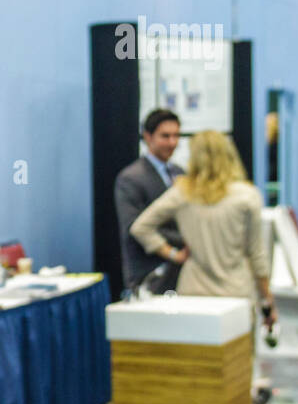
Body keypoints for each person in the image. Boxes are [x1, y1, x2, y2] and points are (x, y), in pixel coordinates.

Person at [129, 130, 277, 327]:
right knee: (236, 354)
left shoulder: (182, 193)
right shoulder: (247, 196)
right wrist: (267, 300)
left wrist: (173, 254)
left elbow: (140, 227)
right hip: (235, 291)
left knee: (196, 354)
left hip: (193, 290)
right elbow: (257, 255)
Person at [115, 109, 186, 295]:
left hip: (181, 275)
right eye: (165, 136)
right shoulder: (131, 178)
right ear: (148, 137)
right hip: (151, 274)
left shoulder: (180, 173)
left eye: (176, 136)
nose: (172, 142)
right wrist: (175, 252)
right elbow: (133, 227)